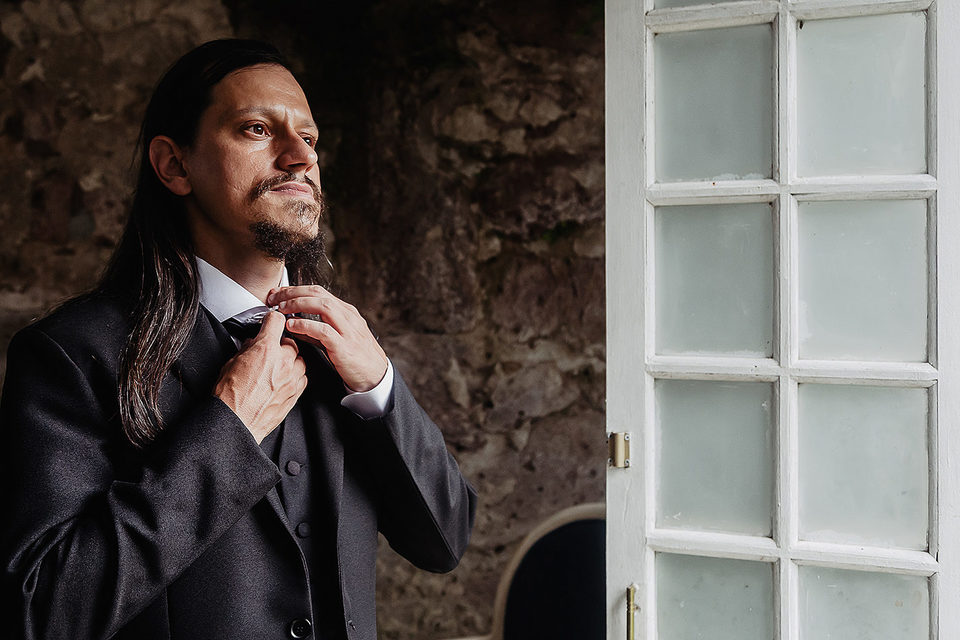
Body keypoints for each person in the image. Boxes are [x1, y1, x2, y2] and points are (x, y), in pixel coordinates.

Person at [0, 39, 477, 640]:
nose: (299, 156)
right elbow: (41, 611)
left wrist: (380, 388)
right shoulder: (69, 354)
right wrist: (228, 430)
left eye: (310, 138)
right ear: (175, 165)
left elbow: (444, 541)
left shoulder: (345, 347)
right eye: (257, 129)